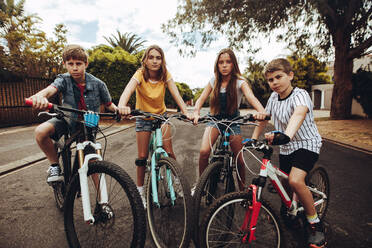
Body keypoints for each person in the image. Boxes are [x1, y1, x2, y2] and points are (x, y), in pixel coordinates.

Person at [251, 58, 325, 248]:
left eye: (278, 77)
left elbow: (298, 114)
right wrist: (253, 137)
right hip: (287, 145)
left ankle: (315, 224)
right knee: (284, 182)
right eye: (270, 80)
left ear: (290, 76)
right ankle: (290, 208)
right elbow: (265, 118)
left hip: (307, 143)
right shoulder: (273, 98)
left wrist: (286, 135)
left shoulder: (300, 95)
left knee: (295, 181)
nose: (274, 82)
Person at [27, 44, 118, 183]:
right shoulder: (63, 79)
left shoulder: (99, 84)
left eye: (79, 63)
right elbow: (51, 89)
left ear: (86, 64)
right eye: (70, 64)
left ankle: (102, 202)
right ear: (65, 64)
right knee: (40, 131)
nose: (75, 68)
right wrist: (40, 96)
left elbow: (109, 104)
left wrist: (119, 111)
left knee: (93, 162)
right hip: (66, 120)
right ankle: (54, 165)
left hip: (88, 125)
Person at [117, 45, 191, 208]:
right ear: (145, 60)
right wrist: (122, 105)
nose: (155, 61)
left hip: (161, 117)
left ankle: (177, 183)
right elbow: (128, 90)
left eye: (158, 58)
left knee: (169, 152)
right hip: (143, 118)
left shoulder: (165, 75)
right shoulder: (140, 74)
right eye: (151, 57)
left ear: (162, 60)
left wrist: (186, 112)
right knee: (142, 157)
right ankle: (140, 191)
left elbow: (176, 94)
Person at [192, 48, 267, 192]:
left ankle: (242, 190)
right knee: (204, 151)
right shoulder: (214, 81)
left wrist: (261, 111)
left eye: (228, 62)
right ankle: (201, 185)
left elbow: (251, 97)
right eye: (221, 62)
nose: (224, 65)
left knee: (239, 158)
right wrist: (196, 112)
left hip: (233, 120)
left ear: (233, 64)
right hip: (215, 119)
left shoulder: (240, 81)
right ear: (217, 65)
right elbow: (200, 99)